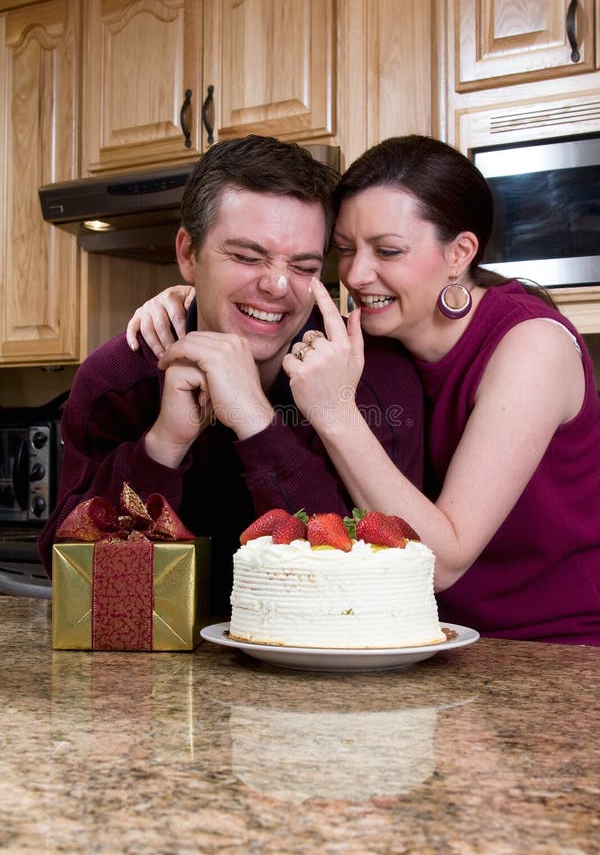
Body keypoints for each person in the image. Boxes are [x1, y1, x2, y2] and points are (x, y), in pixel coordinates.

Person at [138, 135, 600, 644]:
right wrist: (193, 296)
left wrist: (333, 412)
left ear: (460, 253)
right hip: (418, 643)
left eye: (388, 250)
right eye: (344, 250)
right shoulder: (375, 339)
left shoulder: (532, 346)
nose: (356, 274)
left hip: (545, 655)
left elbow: (444, 560)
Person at [40, 135, 424, 616]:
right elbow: (84, 591)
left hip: (326, 684)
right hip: (153, 681)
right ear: (187, 253)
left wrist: (258, 423)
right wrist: (161, 447)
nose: (276, 286)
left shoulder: (374, 381)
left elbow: (369, 595)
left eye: (304, 266)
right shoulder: (118, 378)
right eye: (246, 257)